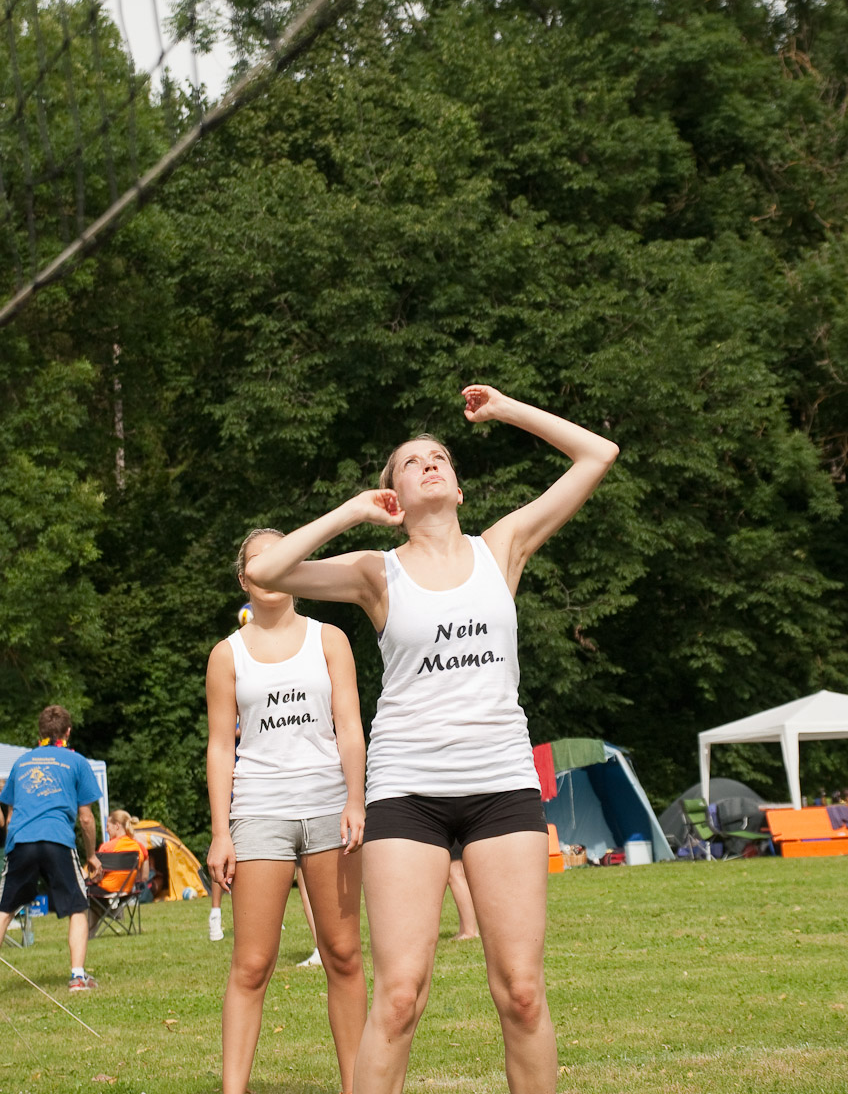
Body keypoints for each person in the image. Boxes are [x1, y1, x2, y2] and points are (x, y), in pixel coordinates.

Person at [245, 383, 619, 1094]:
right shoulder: (374, 572)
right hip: (406, 791)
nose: (429, 463)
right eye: (412, 461)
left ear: (458, 487)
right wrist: (353, 511)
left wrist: (505, 410)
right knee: (398, 998)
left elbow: (598, 453)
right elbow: (262, 571)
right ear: (394, 495)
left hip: (501, 783)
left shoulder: (501, 548)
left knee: (522, 992)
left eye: (440, 456)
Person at [207, 529, 367, 1094]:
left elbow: (350, 726)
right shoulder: (226, 655)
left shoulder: (330, 639)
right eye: (259, 561)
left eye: (283, 557)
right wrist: (221, 832)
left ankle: (357, 1086)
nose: (272, 568)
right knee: (252, 964)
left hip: (329, 809)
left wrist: (356, 798)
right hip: (258, 814)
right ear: (245, 579)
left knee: (343, 954)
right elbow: (220, 747)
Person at [0, 705, 104, 991]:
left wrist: (12, 848)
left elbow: (10, 815)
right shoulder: (77, 762)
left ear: (40, 732)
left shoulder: (21, 763)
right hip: (57, 838)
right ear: (68, 732)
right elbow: (86, 818)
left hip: (21, 840)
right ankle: (78, 977)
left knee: (5, 908)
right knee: (78, 907)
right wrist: (91, 855)